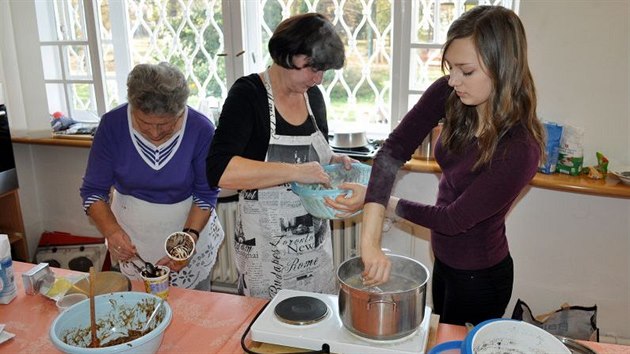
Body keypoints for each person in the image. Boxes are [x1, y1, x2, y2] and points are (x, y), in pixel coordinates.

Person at [353, 6, 546, 325]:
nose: (453, 80)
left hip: (480, 279)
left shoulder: (521, 149)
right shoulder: (452, 94)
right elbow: (392, 151)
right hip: (443, 262)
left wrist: (386, 203)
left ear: (503, 68)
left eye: (466, 70)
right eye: (451, 67)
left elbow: (454, 220)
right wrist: (369, 241)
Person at [206, 13, 359, 299]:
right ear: (287, 55)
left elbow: (317, 153)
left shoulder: (312, 96)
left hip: (314, 248)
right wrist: (295, 171)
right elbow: (220, 171)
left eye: (323, 71)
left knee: (316, 326)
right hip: (265, 254)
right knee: (267, 334)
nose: (319, 80)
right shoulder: (248, 95)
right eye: (313, 68)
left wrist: (333, 161)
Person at [80, 62, 224, 290]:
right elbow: (93, 192)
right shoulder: (112, 125)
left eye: (166, 124)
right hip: (131, 231)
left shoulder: (200, 129)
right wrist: (112, 232)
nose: (155, 133)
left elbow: (205, 194)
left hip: (188, 226)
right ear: (132, 107)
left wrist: (187, 242)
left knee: (192, 310)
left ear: (181, 111)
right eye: (144, 124)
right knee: (136, 306)